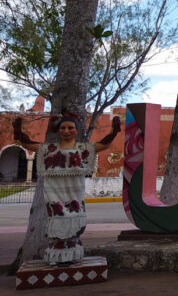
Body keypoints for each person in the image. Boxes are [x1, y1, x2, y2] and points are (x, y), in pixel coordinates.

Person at [13, 113, 121, 265]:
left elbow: (103, 144)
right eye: (63, 128)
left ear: (76, 130)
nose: (66, 131)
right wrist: (18, 131)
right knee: (57, 226)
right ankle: (59, 257)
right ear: (58, 130)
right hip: (54, 196)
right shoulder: (50, 149)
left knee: (74, 225)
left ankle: (72, 254)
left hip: (74, 197)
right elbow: (28, 144)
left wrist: (113, 131)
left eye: (70, 127)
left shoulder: (83, 149)